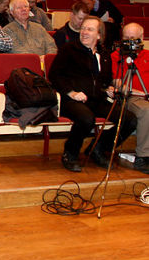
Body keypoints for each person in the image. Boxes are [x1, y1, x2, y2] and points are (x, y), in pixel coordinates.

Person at [49, 17, 137, 172]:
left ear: (99, 35)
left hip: (98, 100)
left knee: (129, 120)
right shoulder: (69, 50)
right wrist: (72, 92)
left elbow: (105, 80)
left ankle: (98, 148)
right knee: (86, 118)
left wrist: (109, 88)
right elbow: (55, 75)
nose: (84, 32)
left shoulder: (104, 55)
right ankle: (70, 153)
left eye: (89, 29)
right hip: (73, 100)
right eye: (83, 28)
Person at [111, 23, 149, 174]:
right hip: (132, 97)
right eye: (125, 38)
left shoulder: (147, 55)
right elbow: (116, 82)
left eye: (132, 38)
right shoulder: (116, 56)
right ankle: (144, 157)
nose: (128, 42)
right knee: (146, 110)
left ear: (141, 38)